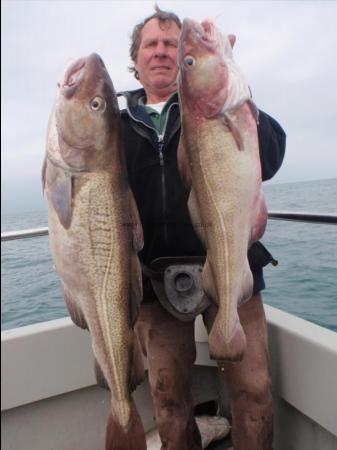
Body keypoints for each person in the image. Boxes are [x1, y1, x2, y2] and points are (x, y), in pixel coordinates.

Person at [116, 6, 286, 450]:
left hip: (233, 264)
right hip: (155, 281)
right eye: (151, 44)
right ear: (134, 59)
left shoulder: (217, 104)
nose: (162, 52)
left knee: (254, 391)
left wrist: (241, 99)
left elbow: (272, 154)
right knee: (169, 403)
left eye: (173, 46)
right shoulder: (112, 128)